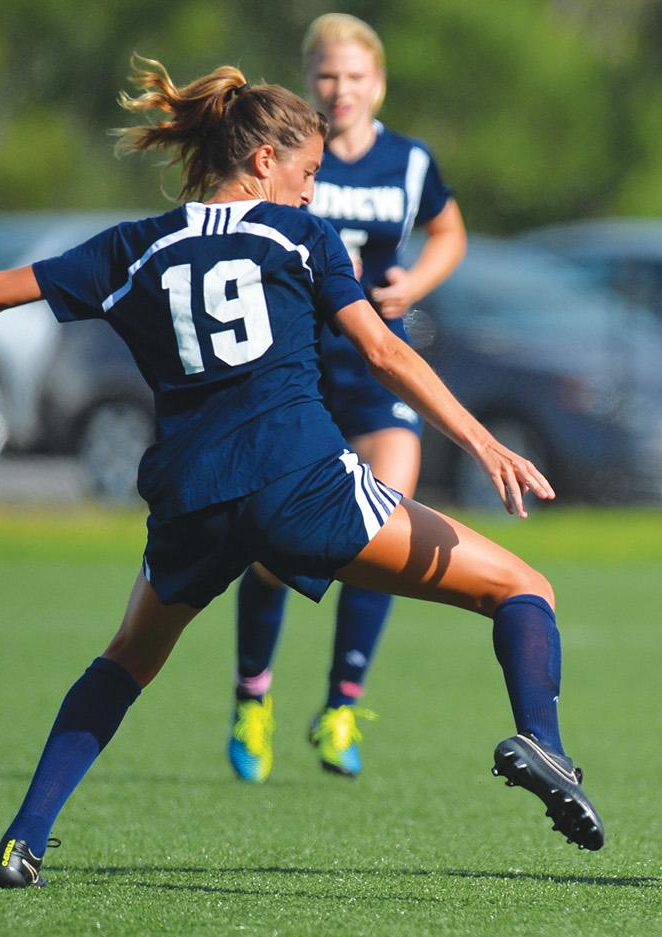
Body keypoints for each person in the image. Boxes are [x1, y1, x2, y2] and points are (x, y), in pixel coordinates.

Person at [0, 57, 604, 888]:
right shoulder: (297, 236)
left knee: (125, 660)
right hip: (299, 483)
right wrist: (483, 443)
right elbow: (382, 350)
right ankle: (546, 746)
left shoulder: (134, 246)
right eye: (309, 174)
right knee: (521, 588)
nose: (315, 194)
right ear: (265, 161)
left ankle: (22, 841)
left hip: (192, 499)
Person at [229, 12, 470, 784]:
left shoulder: (408, 160)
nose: (341, 90)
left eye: (355, 77)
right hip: (295, 371)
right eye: (328, 77)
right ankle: (252, 694)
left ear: (379, 84)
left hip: (375, 368)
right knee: (273, 551)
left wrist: (416, 283)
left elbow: (449, 232)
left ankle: (340, 705)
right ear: (309, 82)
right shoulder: (292, 159)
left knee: (385, 523)